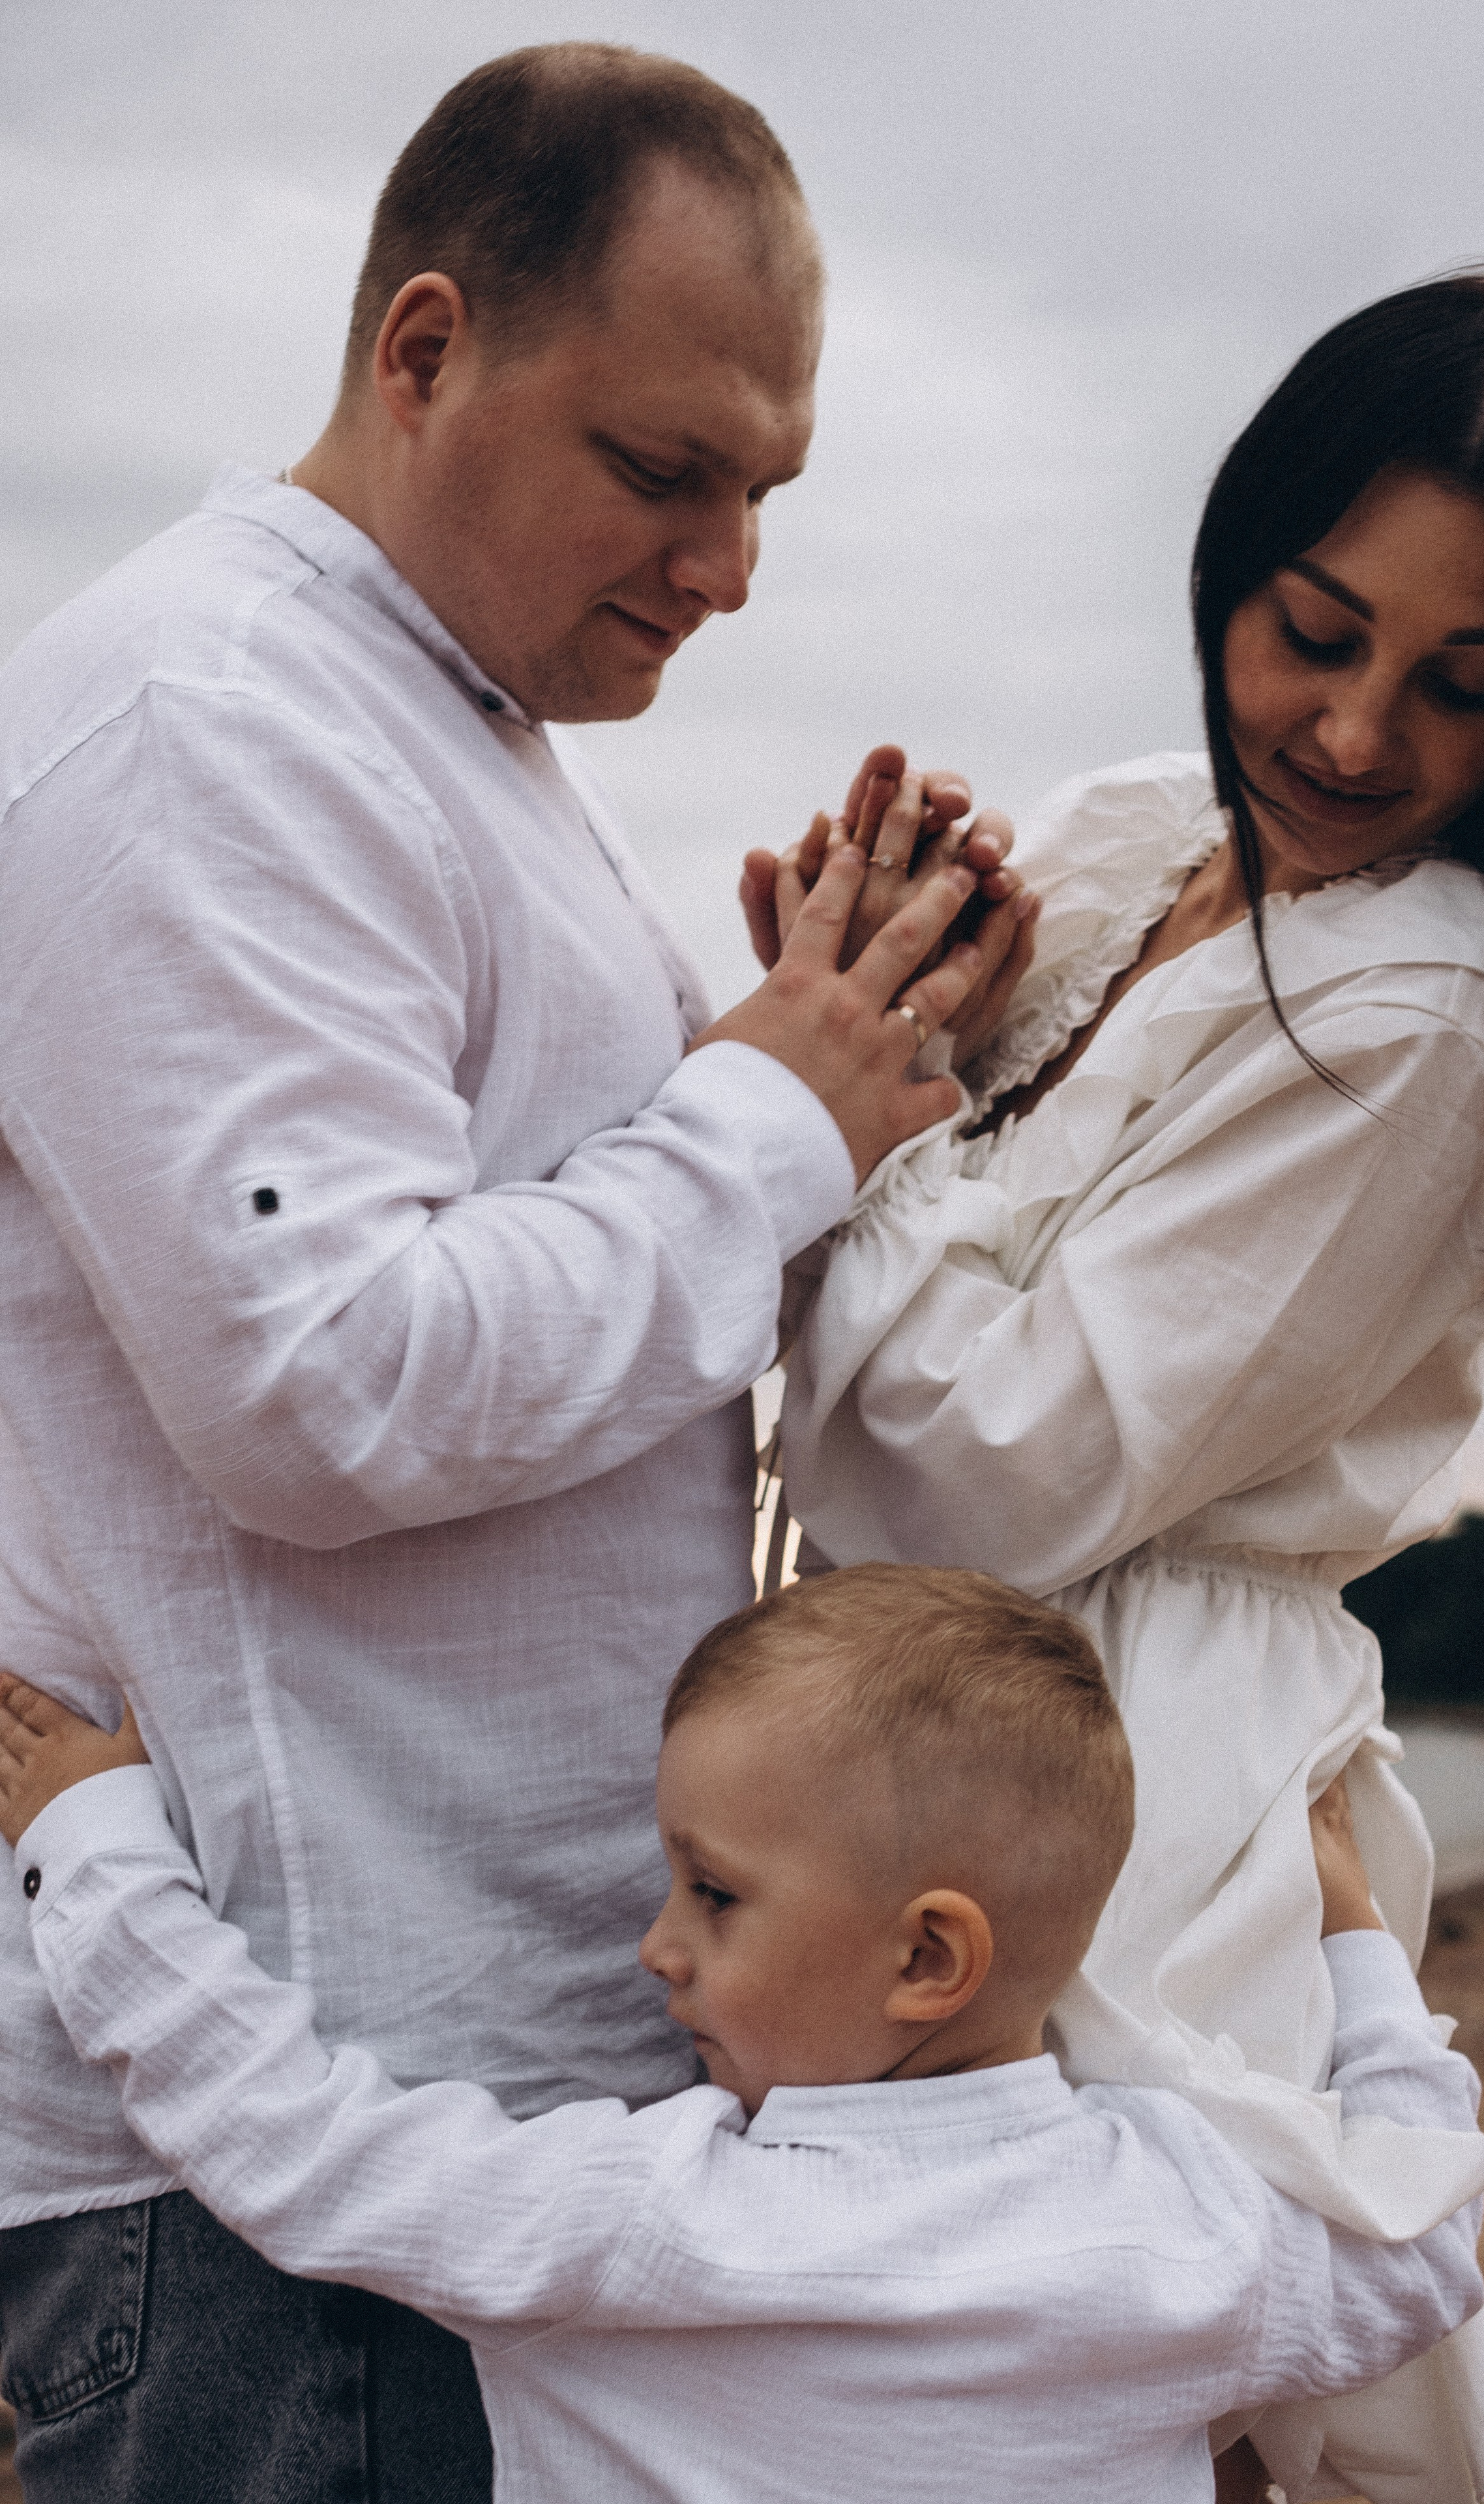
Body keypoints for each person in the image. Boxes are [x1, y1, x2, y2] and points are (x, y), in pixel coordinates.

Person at [0, 44, 1035, 2504]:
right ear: (425, 347)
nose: (726, 566)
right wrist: (768, 1104)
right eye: (661, 472)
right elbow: (326, 1388)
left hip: (458, 2108)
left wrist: (851, 1067)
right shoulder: (207, 719)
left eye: (762, 492)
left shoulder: (440, 726)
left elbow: (582, 1303)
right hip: (278, 2150)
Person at [771, 274, 1484, 2501]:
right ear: (1229, 557)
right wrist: (866, 994)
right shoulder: (1132, 838)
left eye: (1466, 688)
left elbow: (973, 1475)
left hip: (1129, 1796)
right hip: (934, 1743)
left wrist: (841, 1107)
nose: (1357, 735)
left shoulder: (1440, 1011)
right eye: (1313, 627)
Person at [0, 1571, 1484, 2504]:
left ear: (925, 1956)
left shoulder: (646, 2221)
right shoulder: (1189, 2224)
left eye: (712, 1893)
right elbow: (1419, 2247)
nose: (656, 1943)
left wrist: (97, 1848)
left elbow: (301, 2144)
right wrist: (1349, 1936)